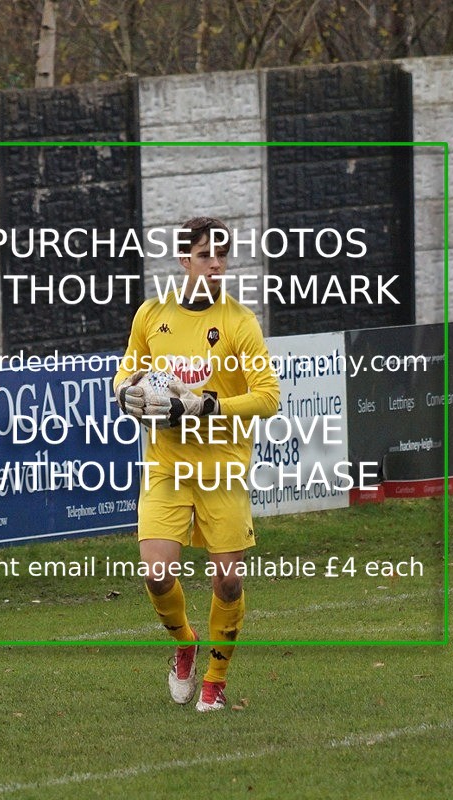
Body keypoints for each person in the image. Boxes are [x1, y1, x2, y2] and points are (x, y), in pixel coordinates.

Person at [114, 216, 280, 711]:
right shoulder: (151, 315)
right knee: (156, 574)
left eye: (222, 256)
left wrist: (208, 405)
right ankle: (184, 643)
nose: (217, 264)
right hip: (166, 465)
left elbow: (268, 396)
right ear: (184, 260)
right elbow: (128, 368)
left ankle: (215, 680)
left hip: (222, 468)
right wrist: (125, 392)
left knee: (227, 581)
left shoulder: (238, 323)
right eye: (206, 255)